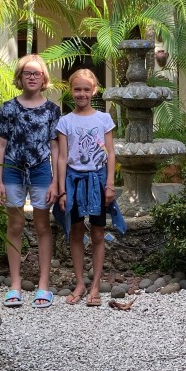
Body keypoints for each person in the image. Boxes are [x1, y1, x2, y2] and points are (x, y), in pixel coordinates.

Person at [0, 54, 61, 309]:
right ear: (20, 77)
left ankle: (44, 284)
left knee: (43, 225)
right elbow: (1, 145)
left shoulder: (52, 110)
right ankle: (15, 284)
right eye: (27, 73)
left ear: (44, 78)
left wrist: (56, 182)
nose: (32, 77)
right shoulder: (7, 108)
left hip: (41, 170)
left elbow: (55, 148)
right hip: (12, 170)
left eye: (37, 73)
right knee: (15, 225)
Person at [55, 68, 122, 306]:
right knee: (75, 231)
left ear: (94, 91)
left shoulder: (103, 119)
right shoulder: (65, 121)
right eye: (77, 89)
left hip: (97, 181)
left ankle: (95, 286)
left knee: (97, 232)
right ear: (71, 91)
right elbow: (62, 157)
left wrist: (110, 184)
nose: (81, 94)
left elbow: (110, 153)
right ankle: (80, 283)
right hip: (73, 181)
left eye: (86, 89)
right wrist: (62, 190)